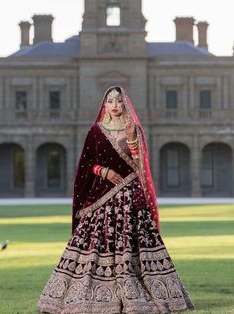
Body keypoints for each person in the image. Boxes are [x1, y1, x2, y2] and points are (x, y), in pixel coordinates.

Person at [38, 86, 194, 313]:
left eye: (119, 101)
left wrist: (131, 140)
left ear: (124, 104)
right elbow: (86, 165)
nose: (114, 105)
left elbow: (140, 165)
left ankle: (144, 291)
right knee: (91, 242)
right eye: (110, 101)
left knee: (135, 243)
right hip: (100, 197)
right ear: (105, 104)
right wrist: (104, 172)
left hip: (131, 197)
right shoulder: (96, 131)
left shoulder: (134, 129)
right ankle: (86, 294)